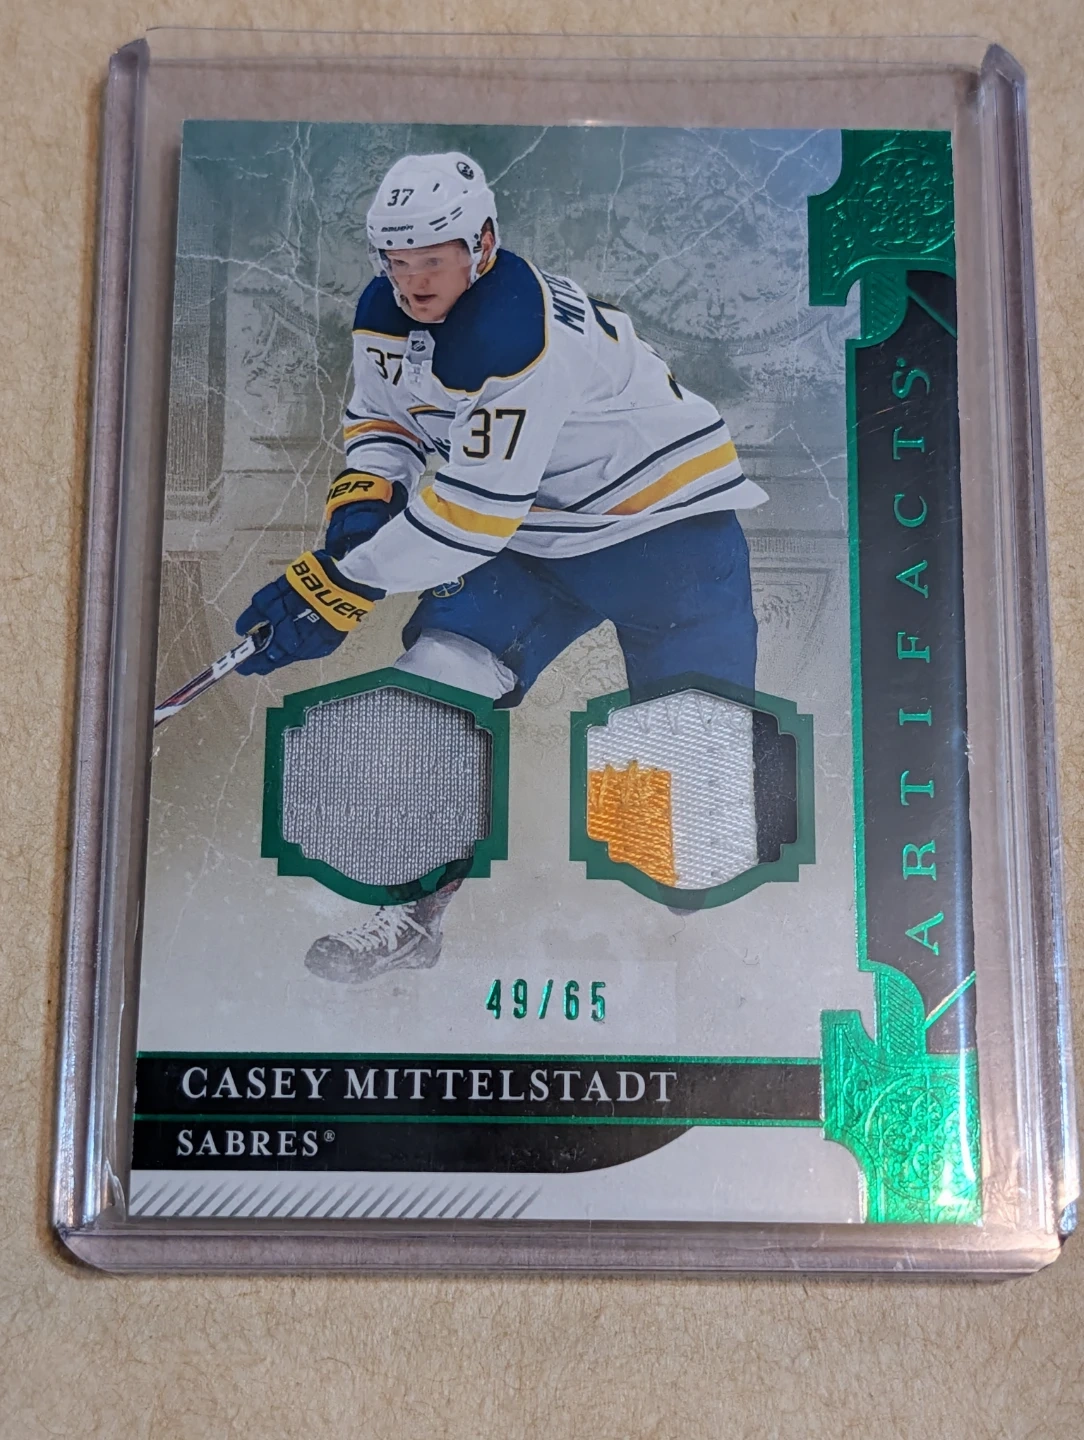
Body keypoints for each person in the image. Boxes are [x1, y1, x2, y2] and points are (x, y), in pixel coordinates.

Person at [234, 151, 767, 982]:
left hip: (666, 538)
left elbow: (470, 518)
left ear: (481, 243)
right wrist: (359, 520)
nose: (412, 281)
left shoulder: (515, 329)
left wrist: (345, 585)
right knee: (430, 686)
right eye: (397, 260)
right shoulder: (386, 311)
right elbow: (384, 423)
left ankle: (726, 964)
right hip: (537, 536)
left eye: (432, 259)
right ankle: (411, 915)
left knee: (685, 852)